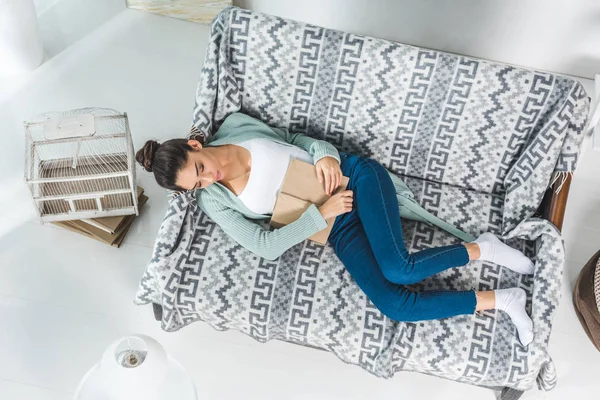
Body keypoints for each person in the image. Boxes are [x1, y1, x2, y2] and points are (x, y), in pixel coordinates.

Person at [137, 112, 535, 346]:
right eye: (198, 184)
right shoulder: (215, 200)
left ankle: (485, 248)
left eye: (201, 169)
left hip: (355, 181)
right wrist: (321, 214)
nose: (211, 177)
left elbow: (294, 139)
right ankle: (503, 300)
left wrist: (326, 156)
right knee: (394, 304)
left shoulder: (238, 126)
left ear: (195, 145)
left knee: (400, 268)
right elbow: (264, 245)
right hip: (334, 226)